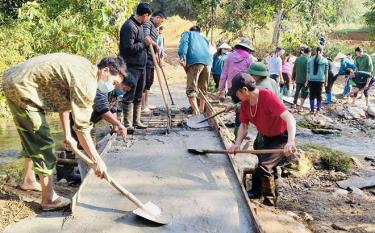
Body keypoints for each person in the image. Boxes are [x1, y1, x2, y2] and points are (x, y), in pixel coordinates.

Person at [2, 53, 129, 210]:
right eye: (114, 82)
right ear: (105, 71)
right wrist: (97, 160)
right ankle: (48, 200)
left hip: (16, 78)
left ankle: (29, 180)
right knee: (42, 142)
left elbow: (64, 103)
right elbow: (82, 128)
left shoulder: (85, 68)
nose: (113, 87)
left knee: (30, 136)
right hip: (21, 86)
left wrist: (67, 134)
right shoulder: (87, 83)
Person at [228, 73, 296, 206]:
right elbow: (244, 125)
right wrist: (237, 144)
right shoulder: (244, 104)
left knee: (264, 167)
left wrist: (291, 141)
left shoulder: (267, 96)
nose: (235, 96)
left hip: (282, 137)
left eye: (236, 92)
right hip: (266, 137)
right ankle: (260, 192)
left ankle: (269, 202)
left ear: (245, 90)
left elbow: (289, 118)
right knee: (263, 164)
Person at [119, 2, 155, 131]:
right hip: (131, 66)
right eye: (148, 17)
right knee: (130, 94)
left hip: (141, 66)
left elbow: (139, 43)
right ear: (144, 15)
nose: (148, 20)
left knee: (139, 94)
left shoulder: (139, 26)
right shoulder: (129, 26)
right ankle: (128, 124)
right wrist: (144, 44)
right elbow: (127, 48)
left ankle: (136, 121)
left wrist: (145, 43)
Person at [219, 38, 254, 137]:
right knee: (243, 109)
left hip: (232, 88)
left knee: (239, 110)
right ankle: (240, 133)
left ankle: (238, 132)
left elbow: (224, 73)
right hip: (245, 89)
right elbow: (251, 75)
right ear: (248, 49)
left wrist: (221, 89)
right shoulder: (250, 58)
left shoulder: (230, 56)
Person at [178, 25, 212, 115]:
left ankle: (196, 113)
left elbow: (184, 44)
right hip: (208, 63)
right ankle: (201, 110)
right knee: (203, 89)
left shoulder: (187, 34)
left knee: (191, 89)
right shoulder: (204, 38)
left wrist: (182, 57)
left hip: (195, 61)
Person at [141, 11, 166, 114]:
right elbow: (146, 37)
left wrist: (158, 57)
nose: (161, 23)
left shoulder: (154, 27)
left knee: (149, 82)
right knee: (145, 82)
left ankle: (146, 104)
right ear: (157, 17)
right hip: (146, 58)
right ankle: (143, 106)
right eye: (161, 20)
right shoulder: (147, 24)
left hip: (152, 58)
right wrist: (156, 45)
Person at [307, 47, 328, 114]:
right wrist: (326, 81)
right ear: (320, 52)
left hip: (311, 80)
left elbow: (308, 72)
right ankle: (318, 110)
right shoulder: (325, 60)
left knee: (312, 95)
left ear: (316, 51)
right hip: (320, 80)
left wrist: (306, 80)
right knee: (319, 95)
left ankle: (312, 110)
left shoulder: (310, 60)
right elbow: (326, 72)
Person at [292, 47, 311, 111]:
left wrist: (293, 77)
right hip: (306, 80)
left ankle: (294, 104)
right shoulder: (309, 60)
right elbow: (309, 71)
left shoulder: (298, 59)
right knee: (304, 92)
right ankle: (300, 107)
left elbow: (294, 69)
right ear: (309, 52)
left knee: (297, 91)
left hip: (298, 78)